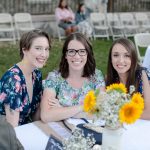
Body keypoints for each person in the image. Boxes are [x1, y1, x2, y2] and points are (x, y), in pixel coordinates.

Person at [41, 32, 105, 122]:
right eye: (71, 51)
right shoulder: (54, 78)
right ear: (66, 55)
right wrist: (83, 107)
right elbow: (46, 116)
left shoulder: (96, 76)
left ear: (87, 54)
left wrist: (62, 109)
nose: (77, 56)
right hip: (60, 131)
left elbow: (101, 112)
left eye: (82, 51)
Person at [0, 29, 51, 127]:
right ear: (25, 50)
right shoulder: (13, 80)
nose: (44, 54)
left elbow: (35, 117)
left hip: (24, 129)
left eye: (46, 49)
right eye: (38, 48)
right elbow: (13, 130)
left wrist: (47, 99)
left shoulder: (36, 75)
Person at [106, 38, 150, 120]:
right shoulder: (110, 79)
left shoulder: (142, 75)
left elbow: (148, 113)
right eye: (116, 55)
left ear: (133, 58)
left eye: (126, 55)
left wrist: (122, 114)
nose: (121, 60)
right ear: (110, 59)